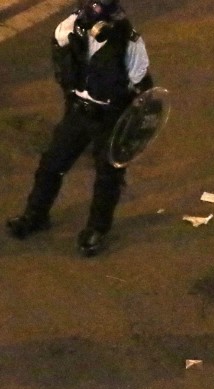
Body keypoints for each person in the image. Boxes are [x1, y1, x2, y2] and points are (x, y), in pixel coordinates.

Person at [6, 0, 153, 257]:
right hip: (78, 111)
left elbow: (143, 89)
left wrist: (132, 131)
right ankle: (35, 215)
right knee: (51, 165)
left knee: (108, 177)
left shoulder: (129, 43)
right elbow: (64, 71)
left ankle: (97, 229)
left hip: (111, 116)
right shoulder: (67, 29)